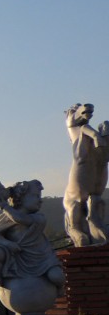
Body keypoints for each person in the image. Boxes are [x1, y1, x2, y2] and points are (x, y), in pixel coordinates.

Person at [0, 179, 65, 294]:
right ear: (20, 198)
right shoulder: (3, 219)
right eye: (36, 196)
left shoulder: (39, 218)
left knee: (57, 277)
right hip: (15, 255)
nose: (40, 200)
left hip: (41, 259)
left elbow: (21, 219)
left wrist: (4, 206)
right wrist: (8, 244)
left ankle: (60, 288)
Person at [63, 103, 109, 246]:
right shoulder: (79, 135)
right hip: (77, 196)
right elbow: (75, 126)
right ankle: (76, 228)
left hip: (94, 193)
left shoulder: (90, 137)